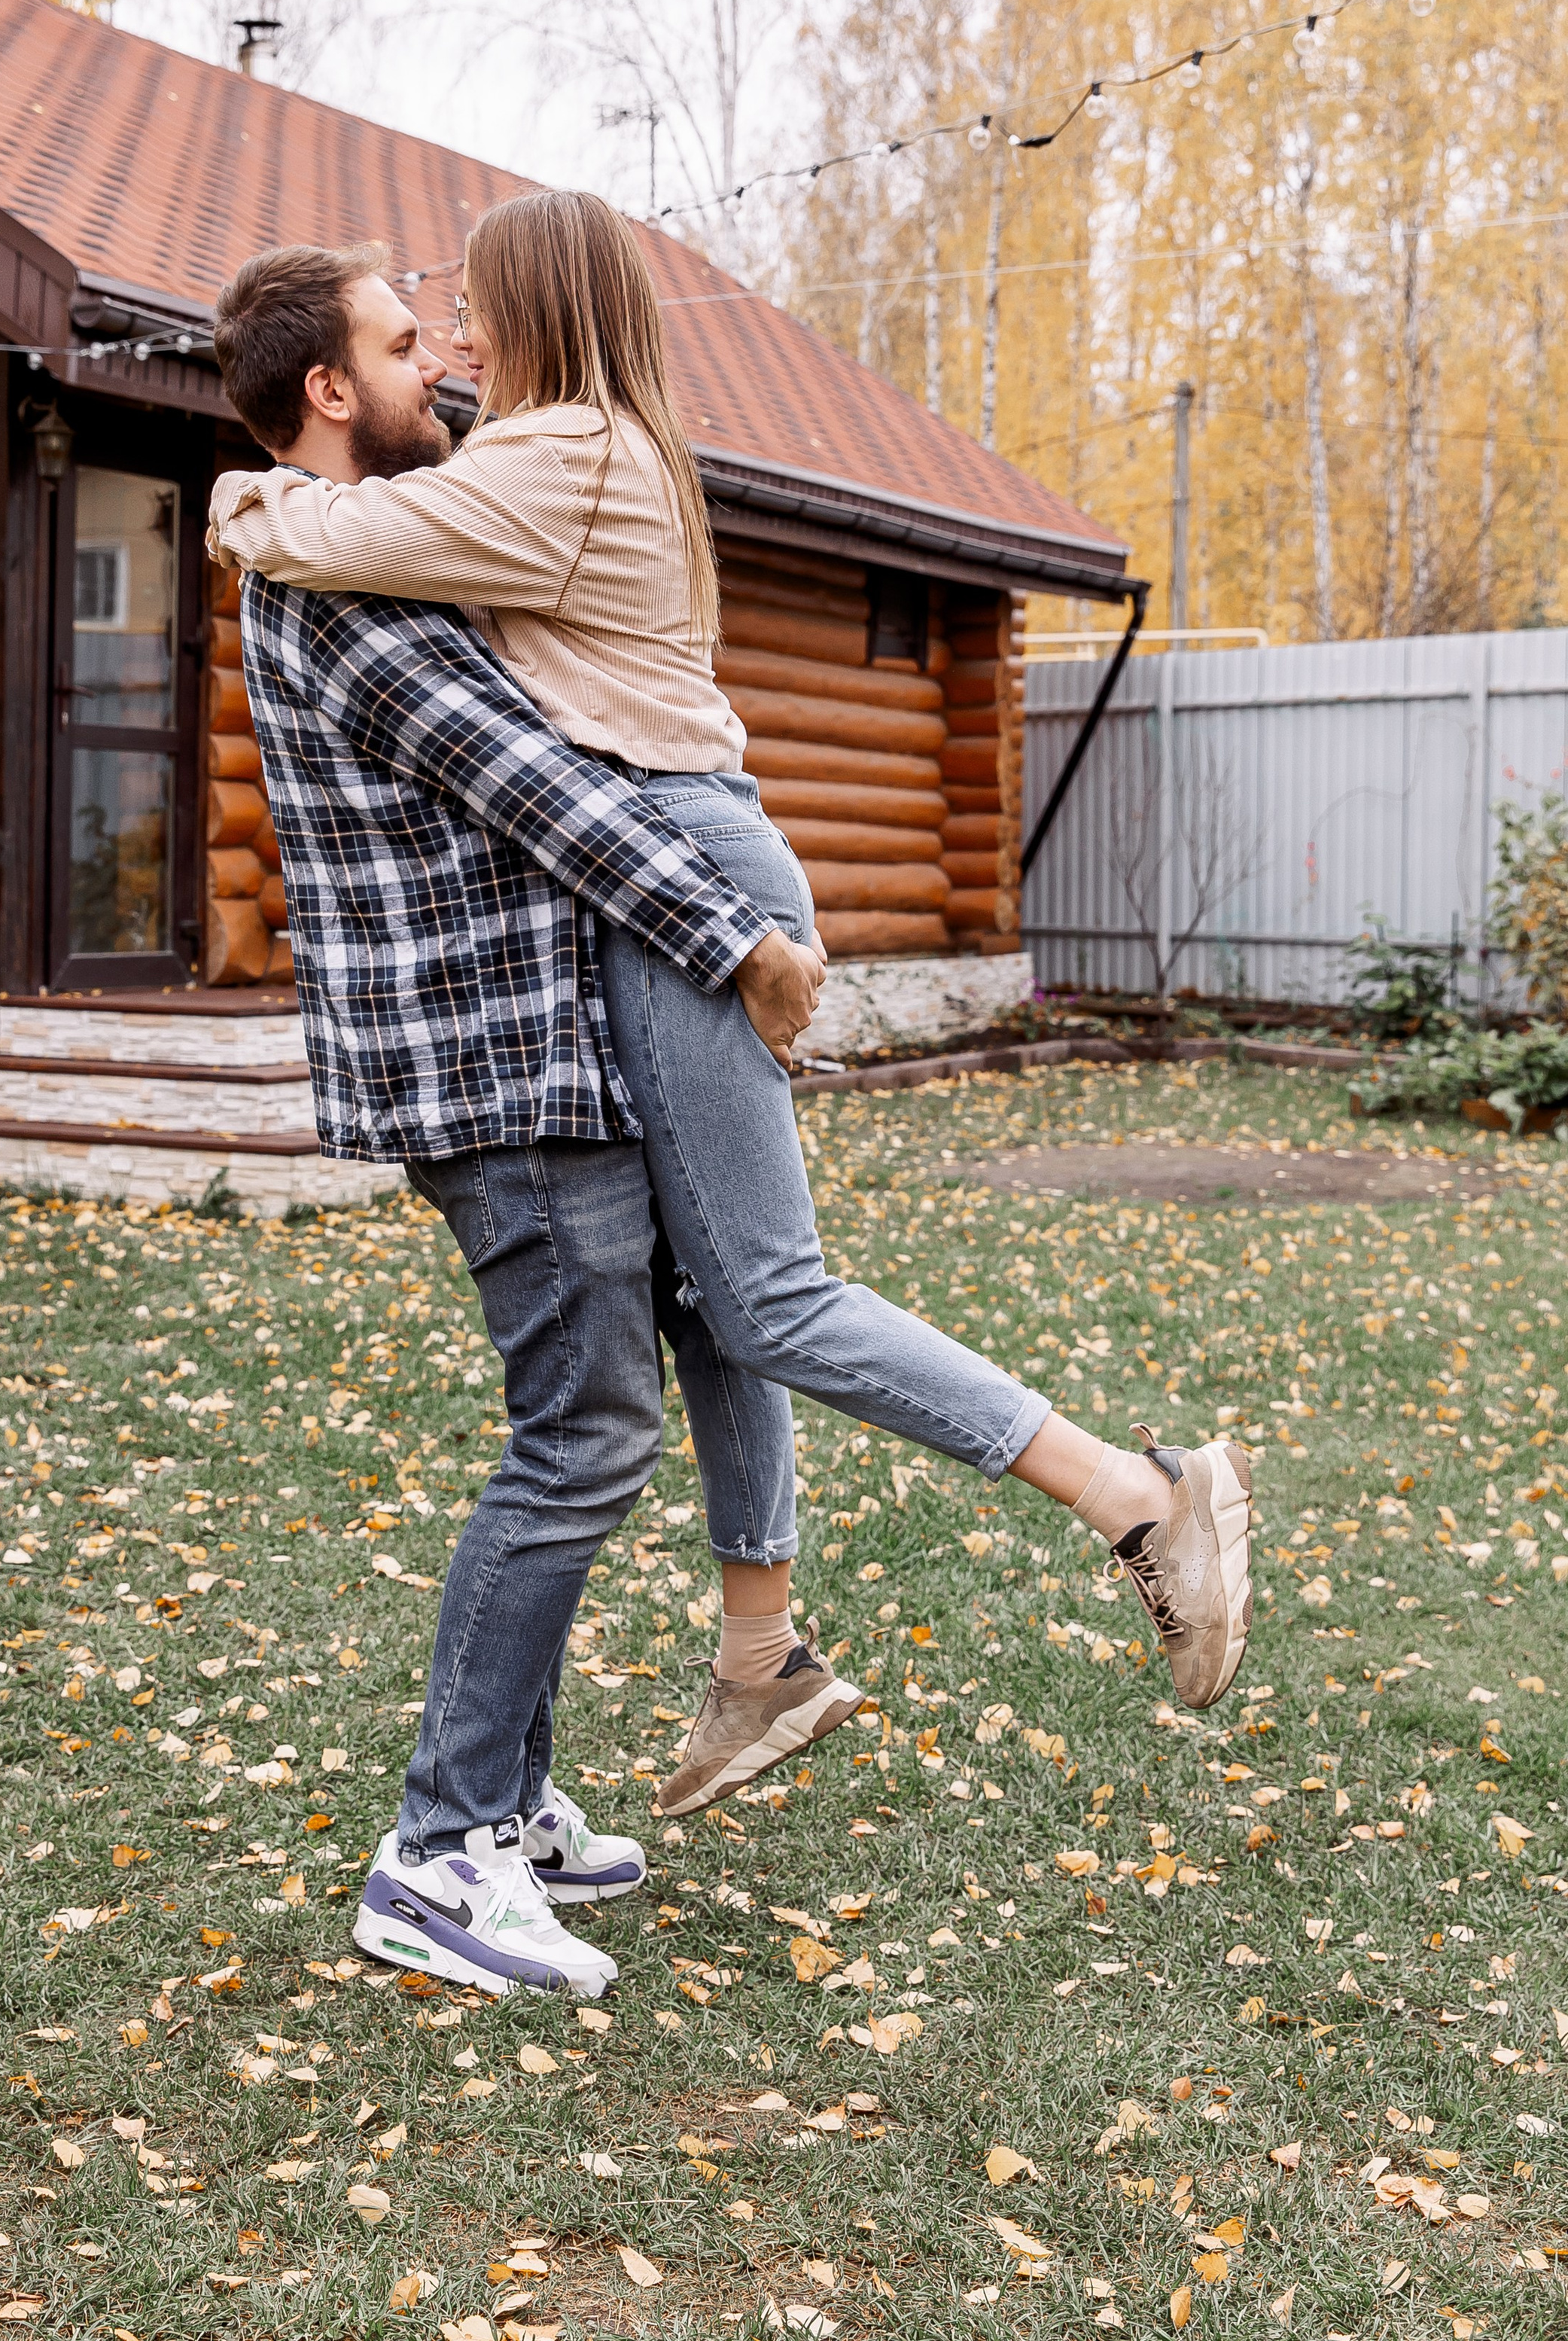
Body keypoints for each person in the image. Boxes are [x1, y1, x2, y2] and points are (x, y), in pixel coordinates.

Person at [209, 191, 1256, 1812]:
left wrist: (243, 501)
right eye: (421, 333)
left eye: (470, 313)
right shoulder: (579, 432)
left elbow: (334, 537)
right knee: (711, 1298)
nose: (456, 345)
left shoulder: (549, 461)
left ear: (539, 313)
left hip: (673, 863)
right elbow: (448, 464)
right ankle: (759, 1657)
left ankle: (1134, 1494)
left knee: (766, 1294)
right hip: (687, 848)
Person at [207, 240, 857, 2002]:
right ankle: (438, 1850)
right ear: (332, 389)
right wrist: (741, 944)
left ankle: (504, 1797)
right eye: (409, 348)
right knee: (578, 1439)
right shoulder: (354, 599)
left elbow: (516, 460)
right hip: (498, 1072)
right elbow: (554, 801)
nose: (449, 375)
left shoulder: (386, 538)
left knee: (580, 1421)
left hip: (534, 1056)